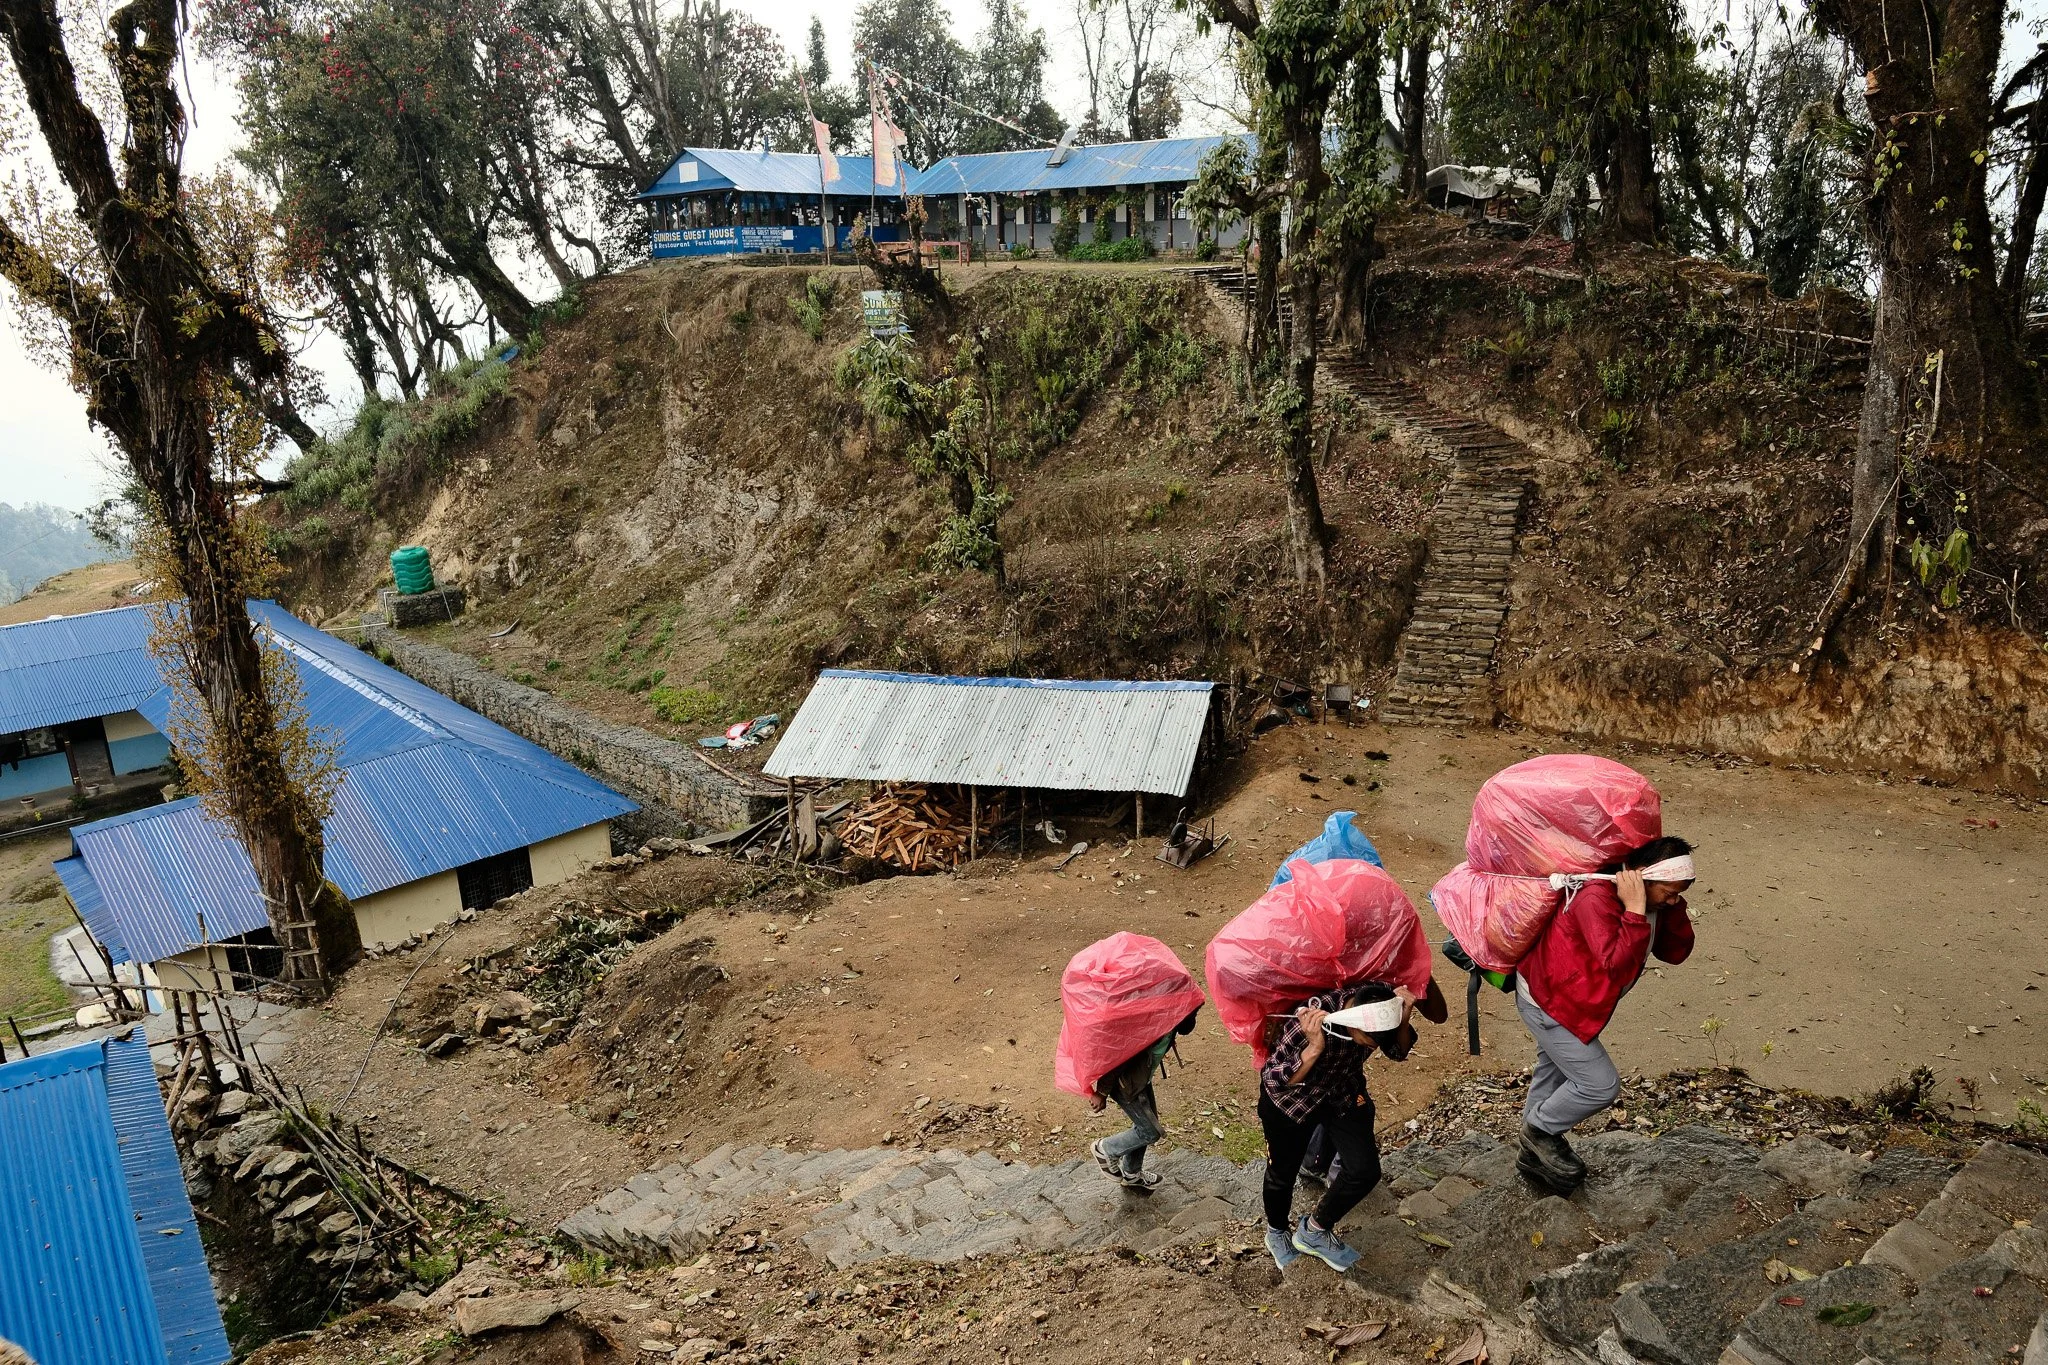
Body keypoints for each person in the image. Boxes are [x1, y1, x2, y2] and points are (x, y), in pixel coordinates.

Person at [1515, 835, 1696, 1195]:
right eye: (1670, 893)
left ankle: (1532, 1156)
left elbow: (1676, 953)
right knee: (1599, 1085)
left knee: (1553, 1074)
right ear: (1641, 876)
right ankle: (1539, 1131)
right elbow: (1616, 965)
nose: (1674, 900)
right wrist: (1635, 910)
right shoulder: (1596, 898)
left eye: (1680, 893)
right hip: (1550, 1003)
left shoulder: (1656, 900)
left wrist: (1670, 906)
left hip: (1574, 1003)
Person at [1257, 982, 1412, 1271]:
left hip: (1342, 1093)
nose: (1372, 1047)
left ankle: (1315, 1230)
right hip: (1292, 1102)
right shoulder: (1311, 1016)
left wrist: (1404, 1016)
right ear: (1353, 1020)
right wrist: (1314, 1047)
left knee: (1365, 1170)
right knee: (1281, 1175)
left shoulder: (1380, 1008)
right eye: (1368, 1040)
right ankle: (1276, 1231)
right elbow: (1274, 1080)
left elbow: (1398, 1052)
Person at [1088, 1007, 1200, 1190]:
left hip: (1139, 1079)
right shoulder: (1150, 1020)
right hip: (1124, 1083)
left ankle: (1132, 1173)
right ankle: (1105, 1149)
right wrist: (1101, 1092)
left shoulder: (1173, 1014)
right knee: (1150, 1131)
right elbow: (1119, 1053)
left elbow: (1186, 1029)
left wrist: (1191, 1009)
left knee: (1145, 1124)